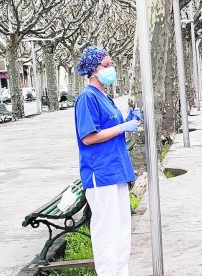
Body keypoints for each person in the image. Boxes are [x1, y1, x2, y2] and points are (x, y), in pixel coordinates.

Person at [74, 46, 141, 276]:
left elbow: (110, 130)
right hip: (101, 174)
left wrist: (127, 122)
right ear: (93, 69)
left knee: (121, 231)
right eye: (106, 65)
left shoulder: (105, 97)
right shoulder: (87, 98)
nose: (111, 68)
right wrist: (122, 126)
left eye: (111, 64)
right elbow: (89, 136)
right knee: (107, 234)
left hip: (117, 171)